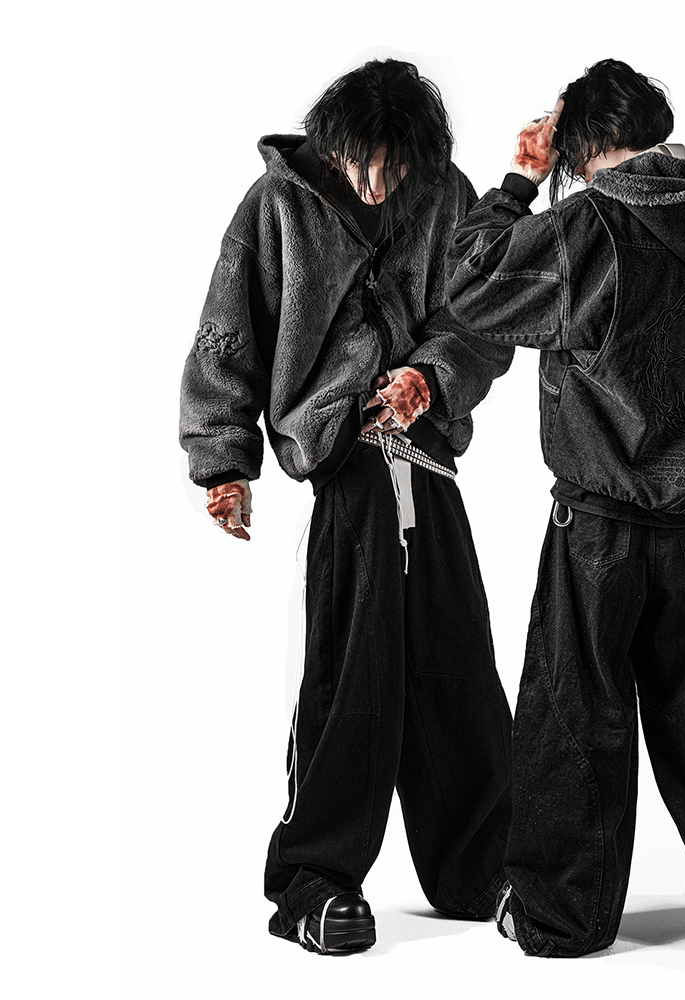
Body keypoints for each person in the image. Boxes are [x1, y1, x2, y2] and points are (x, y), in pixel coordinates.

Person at [448, 58, 685, 958]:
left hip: (598, 520)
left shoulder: (591, 226)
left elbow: (471, 285)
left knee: (572, 719)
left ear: (580, 149)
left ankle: (562, 917)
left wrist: (519, 182)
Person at [179, 58, 514, 954]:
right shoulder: (276, 207)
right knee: (351, 671)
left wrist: (428, 377)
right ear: (336, 143)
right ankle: (313, 883)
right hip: (344, 468)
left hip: (428, 460)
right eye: (365, 163)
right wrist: (224, 464)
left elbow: (482, 319)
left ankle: (482, 867)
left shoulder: (446, 197)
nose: (377, 184)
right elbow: (228, 330)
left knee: (459, 667)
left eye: (395, 168)